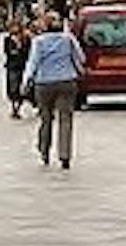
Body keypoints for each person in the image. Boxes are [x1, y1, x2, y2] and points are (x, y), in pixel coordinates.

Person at [20, 12, 87, 169]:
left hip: (44, 83)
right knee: (66, 119)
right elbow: (81, 58)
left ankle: (44, 150)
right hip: (66, 81)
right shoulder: (68, 39)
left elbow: (33, 63)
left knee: (46, 118)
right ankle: (65, 155)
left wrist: (25, 82)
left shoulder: (38, 42)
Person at [1, 19, 32, 119]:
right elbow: (7, 51)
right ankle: (15, 108)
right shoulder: (7, 39)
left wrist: (20, 48)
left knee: (22, 87)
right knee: (13, 87)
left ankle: (18, 106)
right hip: (12, 66)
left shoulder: (26, 38)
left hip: (23, 65)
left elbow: (28, 51)